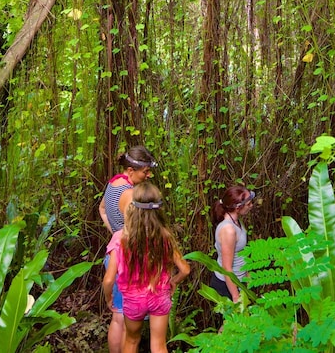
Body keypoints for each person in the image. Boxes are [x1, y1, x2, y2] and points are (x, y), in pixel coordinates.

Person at [103, 182, 190, 353]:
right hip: (159, 296)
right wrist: (174, 281)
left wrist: (108, 298)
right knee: (158, 345)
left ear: (132, 208)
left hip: (134, 300)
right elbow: (185, 269)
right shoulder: (164, 236)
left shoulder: (121, 238)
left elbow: (108, 279)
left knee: (131, 340)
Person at [99, 146, 157, 353]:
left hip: (114, 255)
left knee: (118, 316)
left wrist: (115, 232)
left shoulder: (113, 183)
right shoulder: (131, 195)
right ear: (131, 170)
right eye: (145, 171)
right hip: (130, 260)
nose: (148, 175)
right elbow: (143, 232)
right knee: (128, 318)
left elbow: (102, 209)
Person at [210, 185, 255, 301]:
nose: (251, 206)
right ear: (238, 208)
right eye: (249, 204)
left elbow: (241, 253)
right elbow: (227, 268)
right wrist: (236, 296)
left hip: (240, 281)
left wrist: (248, 278)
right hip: (228, 286)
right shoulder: (228, 230)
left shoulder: (237, 221)